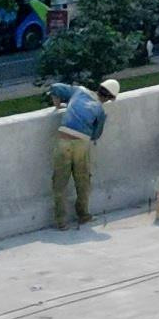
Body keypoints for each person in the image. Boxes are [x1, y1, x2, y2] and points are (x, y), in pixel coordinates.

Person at [40, 74, 119, 228]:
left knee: (60, 182)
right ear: (109, 98)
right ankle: (83, 215)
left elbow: (55, 88)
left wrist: (57, 106)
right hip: (82, 144)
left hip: (63, 141)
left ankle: (61, 222)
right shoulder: (100, 112)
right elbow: (96, 135)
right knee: (83, 181)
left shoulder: (79, 91)